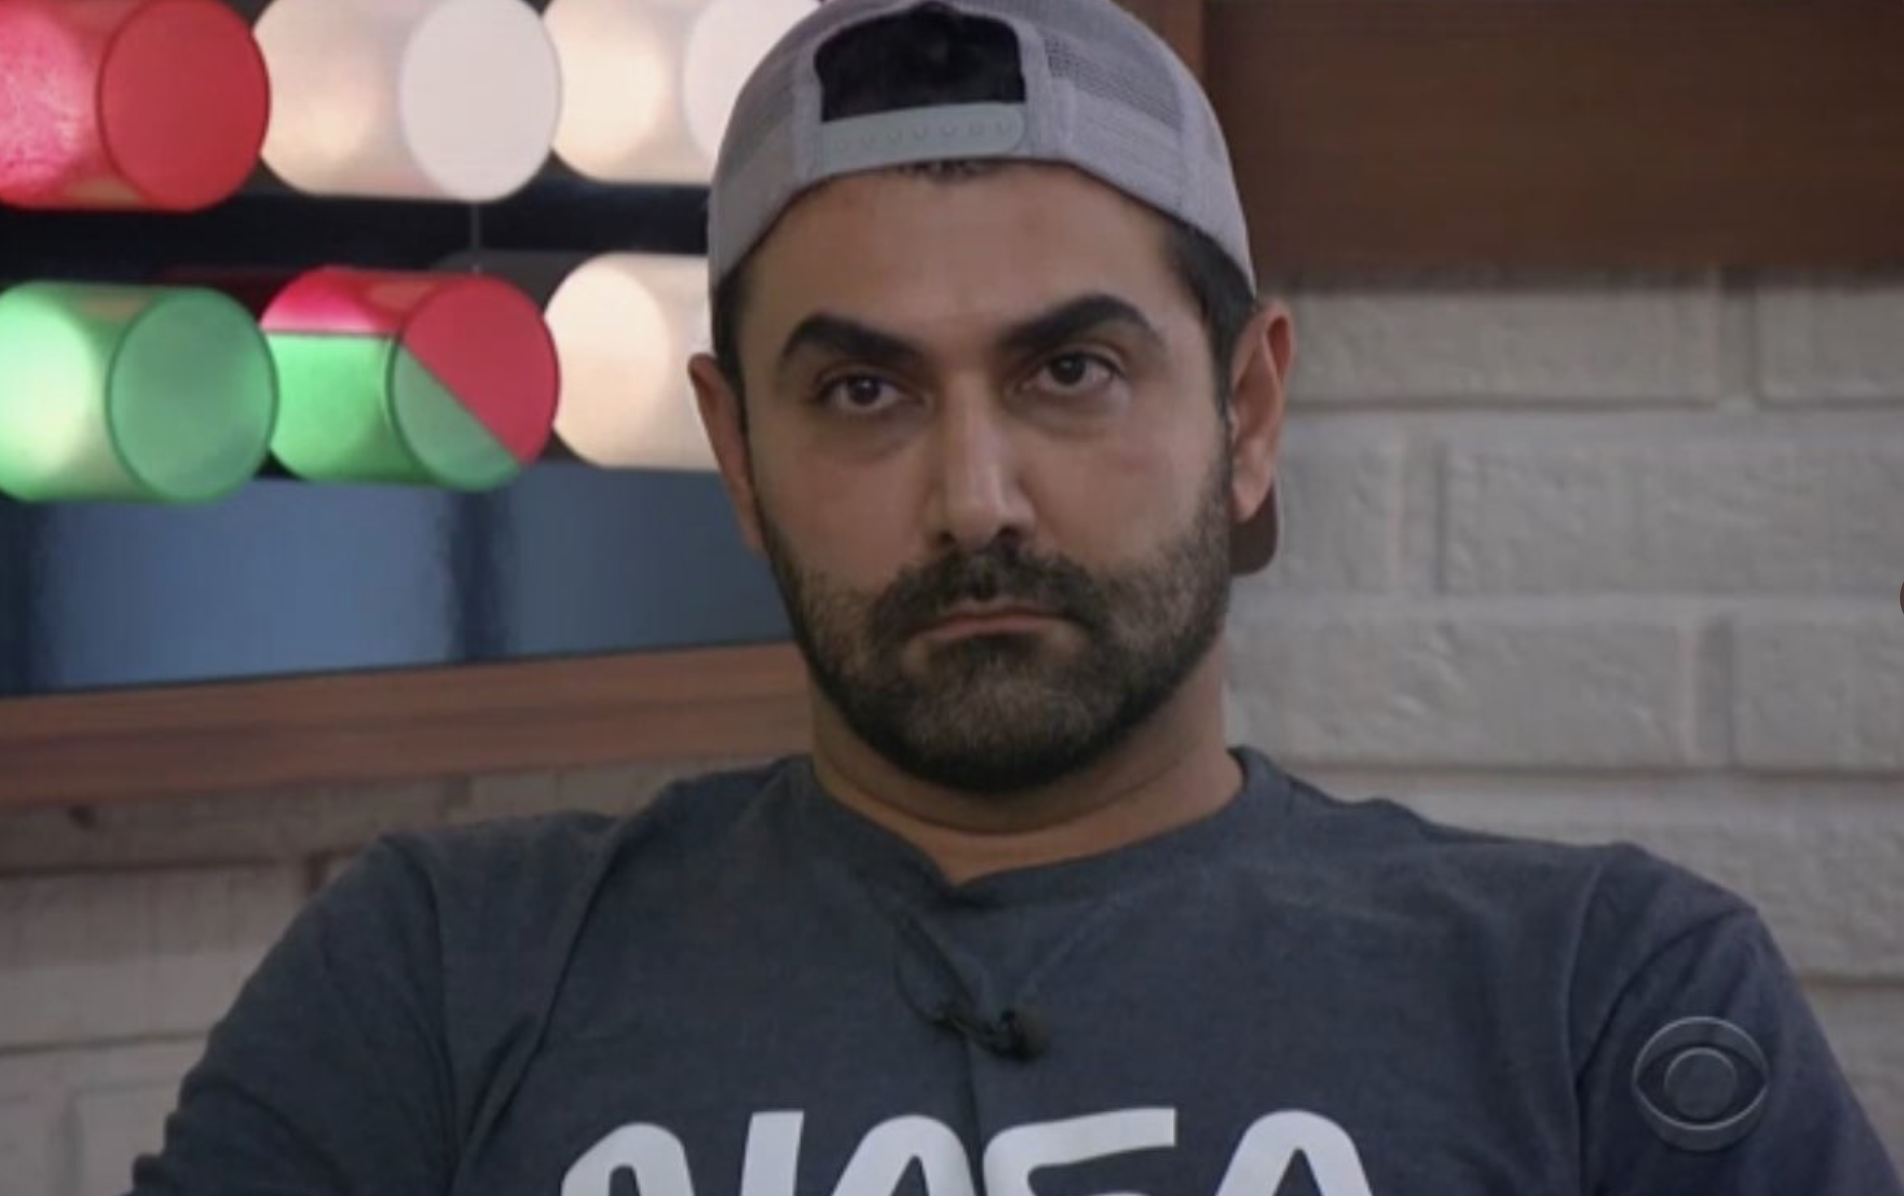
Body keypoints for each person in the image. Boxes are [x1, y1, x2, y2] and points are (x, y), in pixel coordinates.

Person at [130, 0, 1901, 1193]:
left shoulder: (1595, 996)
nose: (974, 498)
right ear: (737, 454)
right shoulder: (443, 972)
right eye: (863, 391)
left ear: (1248, 414)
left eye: (1070, 373)